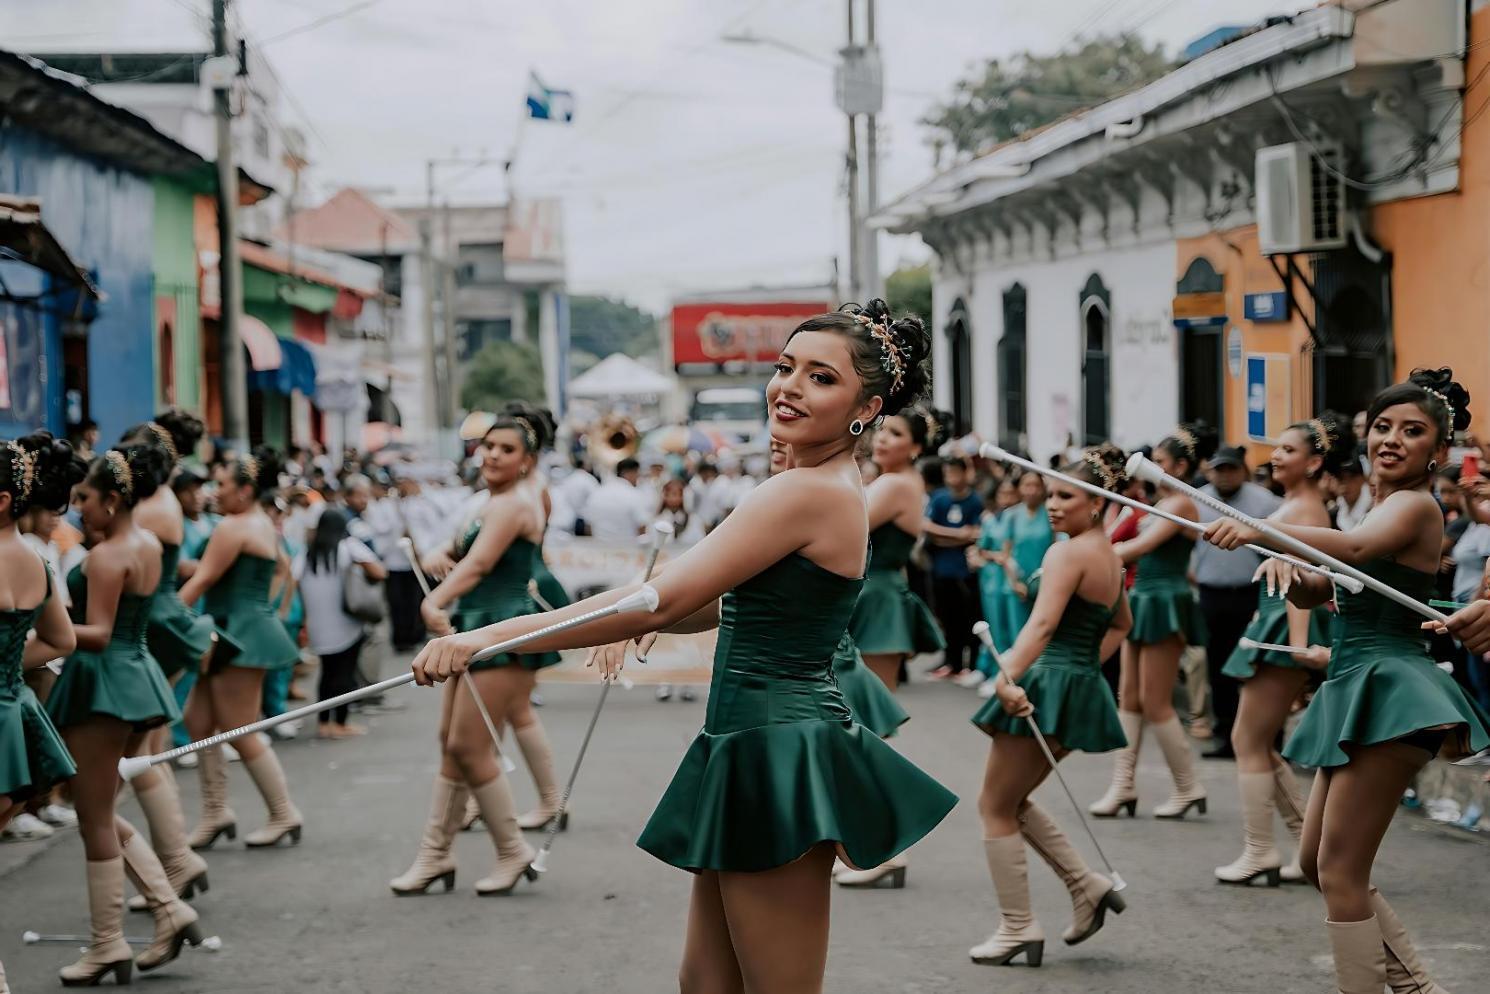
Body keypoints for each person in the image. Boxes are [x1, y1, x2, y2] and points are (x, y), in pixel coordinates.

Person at [412, 298, 957, 993]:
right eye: (786, 366)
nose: (789, 386)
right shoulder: (810, 486)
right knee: (705, 985)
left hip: (776, 746)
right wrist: (643, 619)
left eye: (822, 377)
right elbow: (712, 605)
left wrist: (485, 639)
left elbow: (661, 594)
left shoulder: (805, 492)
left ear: (868, 407)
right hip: (749, 739)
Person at [1206, 369, 1490, 994]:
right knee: (1316, 862)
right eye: (1381, 427)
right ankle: (1416, 988)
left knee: (1338, 870)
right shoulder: (1376, 507)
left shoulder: (1415, 505)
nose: (1391, 440)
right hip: (1356, 679)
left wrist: (1264, 530)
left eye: (1412, 432)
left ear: (1439, 452)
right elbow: (1341, 585)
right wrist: (1297, 573)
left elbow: (1355, 553)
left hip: (1392, 686)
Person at [969, 445, 1133, 968]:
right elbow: (1121, 625)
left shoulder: (1066, 553)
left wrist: (1007, 676)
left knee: (994, 805)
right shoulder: (1108, 554)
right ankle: (1086, 884)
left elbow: (1040, 627)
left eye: (1067, 496)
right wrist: (1082, 667)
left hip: (1048, 682)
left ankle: (1018, 927)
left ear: (1098, 502)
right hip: (1076, 683)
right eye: (1053, 493)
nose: (1054, 504)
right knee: (1012, 799)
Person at [46, 444, 205, 982]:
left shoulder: (107, 555)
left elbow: (99, 633)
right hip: (135, 680)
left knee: (92, 815)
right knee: (98, 805)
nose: (77, 509)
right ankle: (169, 907)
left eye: (84, 499)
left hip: (105, 684)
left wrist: (44, 629)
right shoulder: (148, 545)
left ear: (112, 500)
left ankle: (108, 942)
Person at [392, 415, 562, 896]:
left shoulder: (514, 504)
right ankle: (435, 855)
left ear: (526, 460)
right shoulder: (490, 502)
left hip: (503, 631)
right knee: (451, 740)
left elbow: (481, 562)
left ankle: (511, 850)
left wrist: (434, 600)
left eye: (506, 449)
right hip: (476, 628)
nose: (492, 455)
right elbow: (462, 554)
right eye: (488, 446)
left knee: (470, 746)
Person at [1215, 416, 1348, 887]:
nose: (1276, 456)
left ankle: (1261, 850)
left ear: (1314, 462)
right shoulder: (1293, 505)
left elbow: (1301, 578)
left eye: (1288, 451)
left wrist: (1294, 644)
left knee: (1248, 741)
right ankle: (1301, 845)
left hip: (1288, 622)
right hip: (1274, 619)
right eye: (1277, 448)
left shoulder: (1305, 512)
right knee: (1256, 741)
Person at [116, 414, 229, 910]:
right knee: (148, 750)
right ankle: (173, 860)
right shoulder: (160, 501)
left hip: (152, 626)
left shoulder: (150, 507)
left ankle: (175, 862)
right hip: (158, 622)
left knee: (140, 753)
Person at [178, 449, 304, 851]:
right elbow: (282, 569)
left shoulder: (233, 527)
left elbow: (201, 582)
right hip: (234, 628)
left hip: (237, 632)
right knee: (198, 724)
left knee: (240, 729)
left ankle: (283, 812)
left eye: (223, 485)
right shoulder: (259, 522)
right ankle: (216, 812)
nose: (215, 492)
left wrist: (164, 626)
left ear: (246, 491)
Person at [1091, 423, 1215, 820]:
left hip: (1165, 598)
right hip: (1143, 596)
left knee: (1157, 702)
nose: (1149, 468)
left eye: (1159, 462)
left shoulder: (1181, 504)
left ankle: (1187, 786)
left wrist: (1091, 554)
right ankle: (1123, 786)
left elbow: (1139, 546)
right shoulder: (1157, 503)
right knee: (1130, 697)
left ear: (1180, 466)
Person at [1190, 446, 1283, 759]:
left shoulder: (1265, 501)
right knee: (1218, 667)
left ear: (1242, 470)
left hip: (1250, 594)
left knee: (1258, 665)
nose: (1225, 475)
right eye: (1220, 469)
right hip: (1211, 595)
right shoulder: (1196, 499)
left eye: (1231, 469)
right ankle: (1225, 735)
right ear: (1210, 471)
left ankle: (1268, 737)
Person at [847, 406, 945, 695]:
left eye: (895, 433)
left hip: (876, 595)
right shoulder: (898, 481)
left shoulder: (896, 484)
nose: (882, 439)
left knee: (867, 706)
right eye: (882, 430)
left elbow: (847, 527)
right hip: (876, 590)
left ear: (915, 447)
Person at [295, 507, 386, 738]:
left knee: (327, 674)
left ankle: (324, 723)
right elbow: (379, 571)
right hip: (346, 622)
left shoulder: (306, 554)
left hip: (317, 625)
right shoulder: (348, 548)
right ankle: (341, 723)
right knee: (345, 672)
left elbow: (293, 580)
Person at [924, 455, 985, 680]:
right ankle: (951, 661)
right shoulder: (939, 499)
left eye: (956, 473)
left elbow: (976, 534)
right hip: (942, 568)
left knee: (968, 618)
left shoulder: (974, 501)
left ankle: (969, 664)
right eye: (948, 473)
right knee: (946, 617)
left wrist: (948, 537)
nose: (952, 478)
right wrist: (958, 535)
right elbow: (928, 527)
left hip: (965, 570)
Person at [968, 476, 1022, 685]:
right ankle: (989, 670)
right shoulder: (990, 519)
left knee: (1010, 629)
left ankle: (1003, 674)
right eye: (1002, 493)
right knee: (993, 627)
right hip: (992, 579)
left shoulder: (1018, 517)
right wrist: (994, 556)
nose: (1006, 498)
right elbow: (981, 548)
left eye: (1010, 493)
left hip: (1009, 579)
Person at [582, 457, 651, 542]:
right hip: (628, 551)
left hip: (599, 550)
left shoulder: (597, 492)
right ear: (631, 473)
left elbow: (588, 527)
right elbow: (642, 528)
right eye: (637, 474)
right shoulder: (634, 495)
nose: (638, 478)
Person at [1328, 456, 1373, 532]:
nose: (1345, 484)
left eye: (1351, 477)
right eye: (1340, 478)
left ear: (1362, 478)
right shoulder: (1333, 514)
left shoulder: (1375, 510)